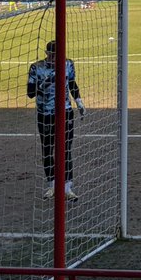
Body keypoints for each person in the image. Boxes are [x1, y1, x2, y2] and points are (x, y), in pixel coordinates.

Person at [27, 40, 85, 200]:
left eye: (58, 55)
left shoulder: (68, 64)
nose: (55, 58)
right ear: (47, 54)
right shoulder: (36, 67)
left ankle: (67, 188)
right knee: (47, 150)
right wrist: (43, 84)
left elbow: (72, 83)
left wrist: (79, 101)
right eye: (52, 55)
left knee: (66, 149)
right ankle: (52, 186)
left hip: (65, 112)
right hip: (45, 114)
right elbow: (30, 93)